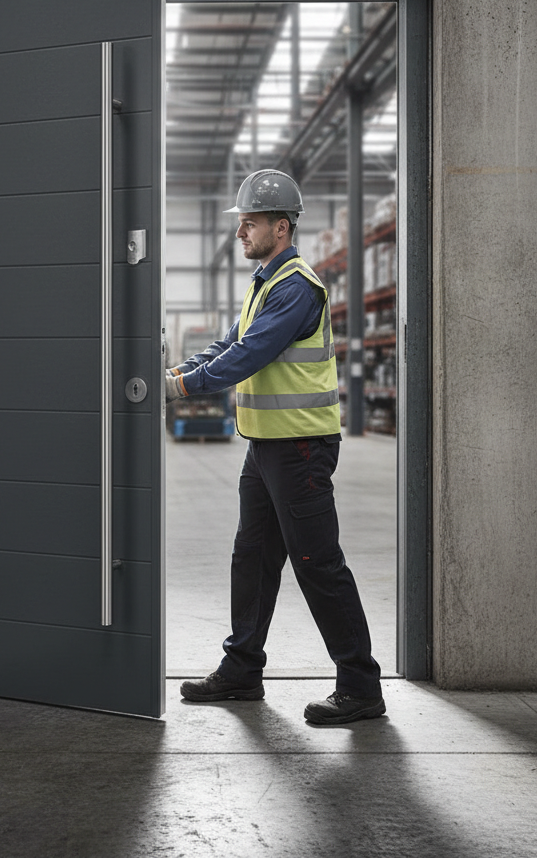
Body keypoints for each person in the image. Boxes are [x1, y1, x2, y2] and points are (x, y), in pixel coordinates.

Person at [166, 169, 385, 726]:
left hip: (300, 450)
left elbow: (250, 355)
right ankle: (242, 669)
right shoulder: (267, 281)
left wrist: (184, 387)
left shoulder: (296, 287)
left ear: (281, 228)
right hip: (265, 449)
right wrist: (180, 368)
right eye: (240, 223)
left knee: (318, 563)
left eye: (250, 223)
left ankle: (361, 686)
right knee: (254, 560)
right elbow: (232, 342)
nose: (241, 232)